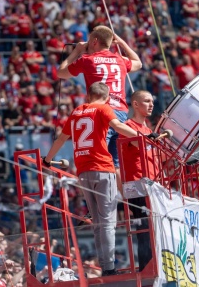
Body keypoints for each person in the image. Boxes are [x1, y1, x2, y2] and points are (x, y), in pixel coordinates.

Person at [43, 82, 144, 276]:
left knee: (98, 221)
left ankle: (106, 265)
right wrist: (142, 137)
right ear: (107, 98)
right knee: (107, 220)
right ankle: (109, 268)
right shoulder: (104, 108)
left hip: (83, 171)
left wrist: (48, 160)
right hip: (103, 168)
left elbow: (61, 139)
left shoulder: (76, 111)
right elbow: (119, 127)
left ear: (88, 96)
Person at [57, 25, 142, 189]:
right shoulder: (119, 60)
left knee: (97, 159)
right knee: (115, 164)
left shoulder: (87, 60)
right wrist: (122, 43)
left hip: (101, 112)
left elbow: (61, 73)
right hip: (121, 114)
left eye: (89, 41)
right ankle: (129, 204)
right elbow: (138, 63)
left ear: (95, 41)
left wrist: (76, 51)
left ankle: (97, 202)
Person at [119, 90, 159, 271]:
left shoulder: (148, 130)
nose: (151, 105)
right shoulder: (127, 126)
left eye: (152, 101)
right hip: (137, 185)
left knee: (155, 229)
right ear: (135, 104)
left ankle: (154, 266)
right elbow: (139, 143)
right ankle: (147, 269)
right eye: (146, 101)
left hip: (152, 185)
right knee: (145, 231)